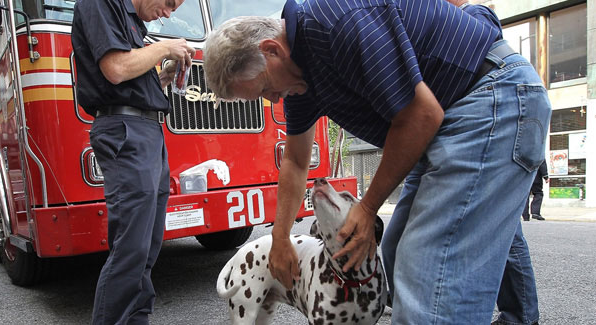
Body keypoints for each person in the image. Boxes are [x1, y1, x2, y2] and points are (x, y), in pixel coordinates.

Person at [203, 0, 551, 323]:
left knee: (429, 276)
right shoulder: (301, 78)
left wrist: (368, 208)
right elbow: (295, 161)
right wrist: (280, 239)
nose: (273, 99)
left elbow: (421, 115)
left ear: (272, 50)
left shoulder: (334, 25)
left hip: (490, 96)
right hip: (451, 116)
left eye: (265, 89)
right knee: (398, 251)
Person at [71, 0, 195, 323]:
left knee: (148, 248)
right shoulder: (99, 3)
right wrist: (166, 47)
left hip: (147, 132)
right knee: (132, 249)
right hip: (125, 132)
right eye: (169, 3)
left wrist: (163, 76)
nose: (168, 14)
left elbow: (130, 80)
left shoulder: (131, 20)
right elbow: (116, 69)